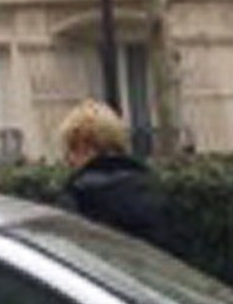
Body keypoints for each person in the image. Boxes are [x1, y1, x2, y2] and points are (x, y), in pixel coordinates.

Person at [57, 100, 169, 245]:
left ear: (86, 145)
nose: (68, 159)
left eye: (72, 148)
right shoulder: (150, 186)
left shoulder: (81, 195)